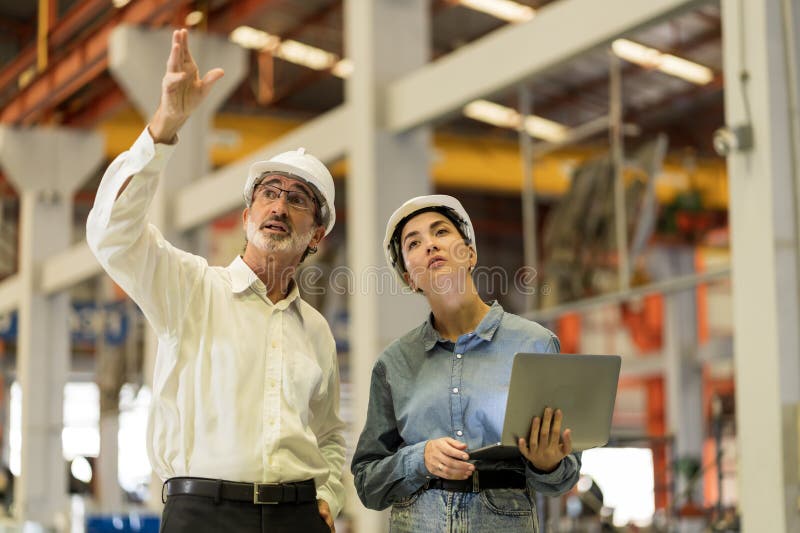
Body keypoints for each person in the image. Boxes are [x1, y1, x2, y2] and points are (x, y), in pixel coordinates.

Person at [86, 29, 344, 533]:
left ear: (316, 235)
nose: (279, 206)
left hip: (298, 517)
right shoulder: (189, 290)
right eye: (270, 192)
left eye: (297, 199)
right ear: (248, 213)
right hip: (203, 515)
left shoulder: (315, 331)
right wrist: (164, 128)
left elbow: (331, 433)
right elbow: (111, 235)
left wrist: (329, 495)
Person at [351, 195, 581, 532]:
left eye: (440, 232)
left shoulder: (534, 343)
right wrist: (420, 458)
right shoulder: (393, 364)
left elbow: (563, 477)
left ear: (470, 254)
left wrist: (548, 465)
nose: (429, 245)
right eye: (414, 243)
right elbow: (368, 485)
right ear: (408, 278)